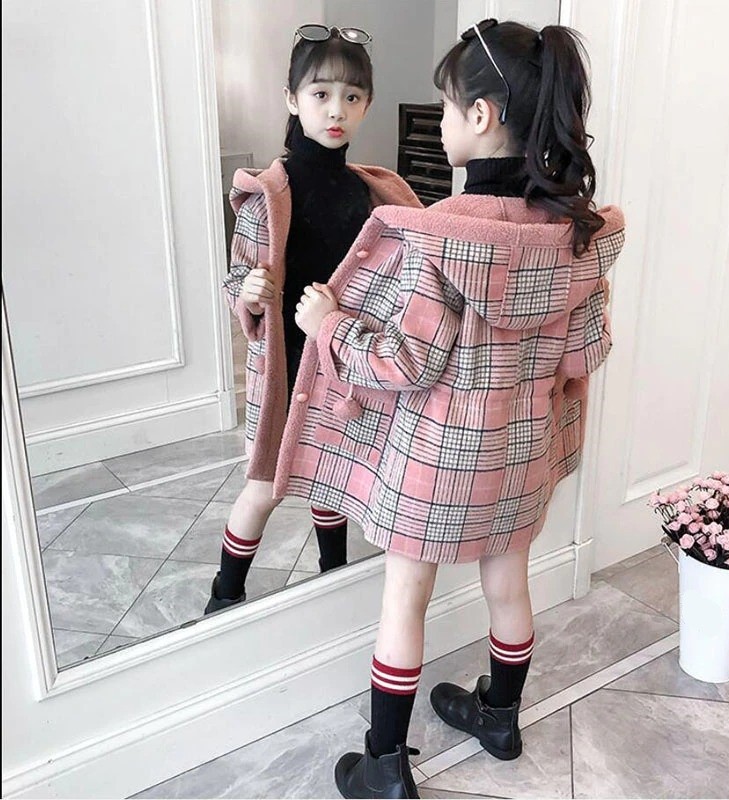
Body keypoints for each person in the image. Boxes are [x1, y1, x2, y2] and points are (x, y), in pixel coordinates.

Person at [280, 19, 626, 798]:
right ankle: (499, 719)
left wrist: (327, 324)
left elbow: (401, 363)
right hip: (522, 456)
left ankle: (384, 764)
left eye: (444, 106)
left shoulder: (436, 237)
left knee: (406, 597)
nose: (441, 121)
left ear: (481, 115)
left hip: (434, 465)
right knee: (509, 584)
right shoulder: (577, 236)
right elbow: (583, 357)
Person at [205, 24, 421, 615]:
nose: (336, 110)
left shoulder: (375, 194)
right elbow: (237, 276)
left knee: (333, 475)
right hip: (285, 367)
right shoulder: (268, 194)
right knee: (263, 488)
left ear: (367, 104)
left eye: (352, 96)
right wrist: (250, 291)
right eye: (321, 94)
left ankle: (332, 573)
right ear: (292, 99)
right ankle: (224, 594)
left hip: (340, 359)